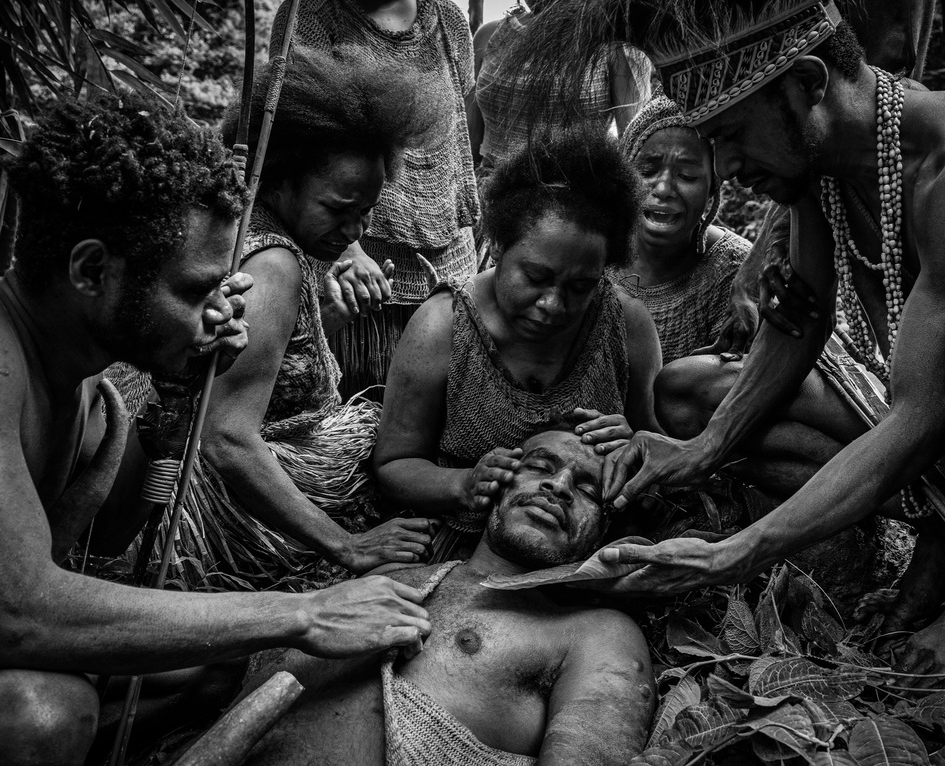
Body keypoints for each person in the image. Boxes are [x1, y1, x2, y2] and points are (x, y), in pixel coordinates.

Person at [500, 0, 945, 686]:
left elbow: (918, 415)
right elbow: (798, 321)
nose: (724, 166)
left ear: (806, 83)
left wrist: (736, 553)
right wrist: (704, 448)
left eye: (732, 135)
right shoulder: (821, 161)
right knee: (690, 396)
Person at [0, 94, 433, 766]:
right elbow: (20, 614)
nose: (222, 310)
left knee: (211, 663)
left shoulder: (84, 392)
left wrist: (178, 395)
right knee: (40, 718)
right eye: (197, 288)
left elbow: (109, 531)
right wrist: (306, 611)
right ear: (91, 271)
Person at [216, 427, 654, 766]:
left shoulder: (596, 634)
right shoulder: (392, 574)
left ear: (603, 531)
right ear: (496, 483)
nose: (558, 485)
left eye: (588, 490)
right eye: (539, 467)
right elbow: (233, 671)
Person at [145, 46, 440, 590]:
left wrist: (322, 323)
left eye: (365, 214)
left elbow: (261, 379)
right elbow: (226, 436)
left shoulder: (230, 228)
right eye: (337, 208)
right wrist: (345, 544)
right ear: (280, 178)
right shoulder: (273, 264)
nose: (355, 234)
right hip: (228, 529)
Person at [372, 132, 662, 556]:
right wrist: (461, 483)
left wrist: (636, 446)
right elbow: (392, 465)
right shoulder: (443, 328)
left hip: (583, 555)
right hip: (465, 550)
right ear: (498, 246)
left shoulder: (625, 323)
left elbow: (661, 454)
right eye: (536, 278)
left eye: (581, 286)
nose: (553, 305)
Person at [272, 0, 480, 398]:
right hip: (355, 261)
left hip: (450, 257)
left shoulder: (449, 19)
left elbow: (459, 132)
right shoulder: (311, 14)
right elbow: (296, 139)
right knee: (355, 406)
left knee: (437, 408)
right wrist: (350, 250)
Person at [607, 94, 753, 364]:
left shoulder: (737, 271)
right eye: (647, 170)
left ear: (712, 189)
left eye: (687, 176)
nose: (663, 189)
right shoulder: (594, 248)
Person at [468, 0, 651, 180]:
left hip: (573, 197)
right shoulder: (490, 36)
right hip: (490, 195)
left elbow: (634, 148)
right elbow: (469, 142)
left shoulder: (614, 43)